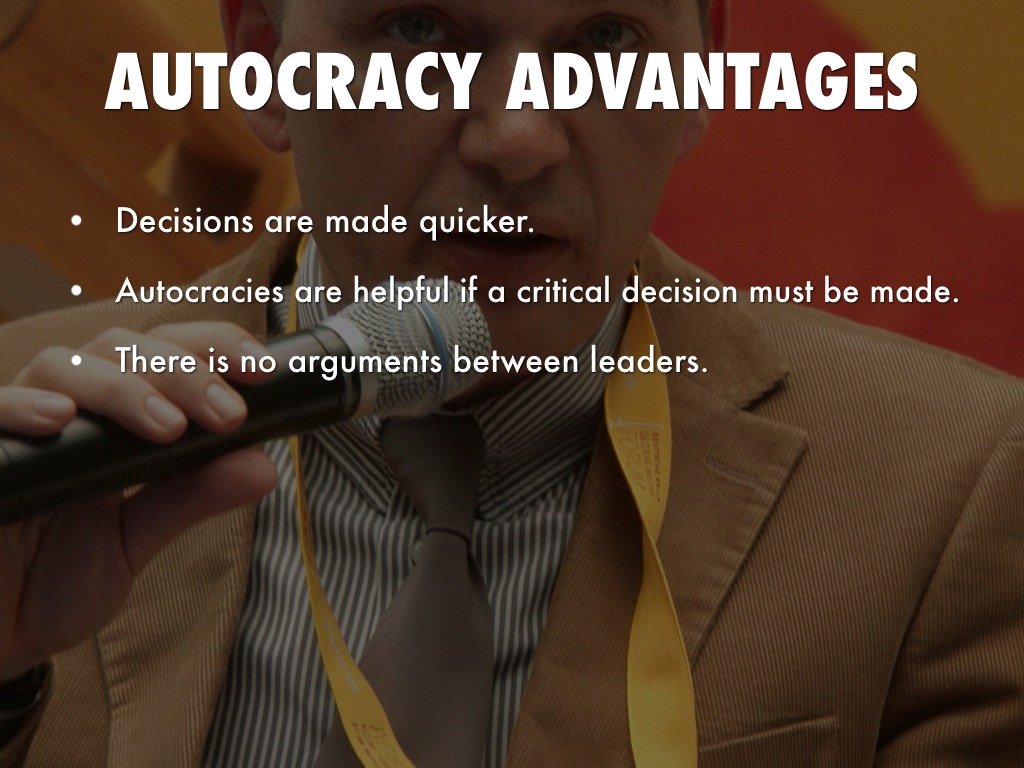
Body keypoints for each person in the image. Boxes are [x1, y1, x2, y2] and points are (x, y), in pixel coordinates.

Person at [2, 0, 1023, 765]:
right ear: (266, 58)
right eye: (417, 32)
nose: (518, 138)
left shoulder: (951, 489)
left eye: (605, 41)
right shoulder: (25, 437)